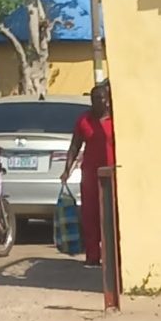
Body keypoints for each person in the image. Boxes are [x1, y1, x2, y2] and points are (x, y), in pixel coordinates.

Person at [62, 80, 117, 268]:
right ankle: (93, 256)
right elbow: (75, 146)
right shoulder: (84, 121)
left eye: (101, 98)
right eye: (94, 99)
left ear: (108, 100)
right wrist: (66, 170)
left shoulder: (116, 120)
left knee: (113, 215)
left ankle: (115, 256)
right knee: (90, 215)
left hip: (113, 175)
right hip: (90, 176)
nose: (97, 102)